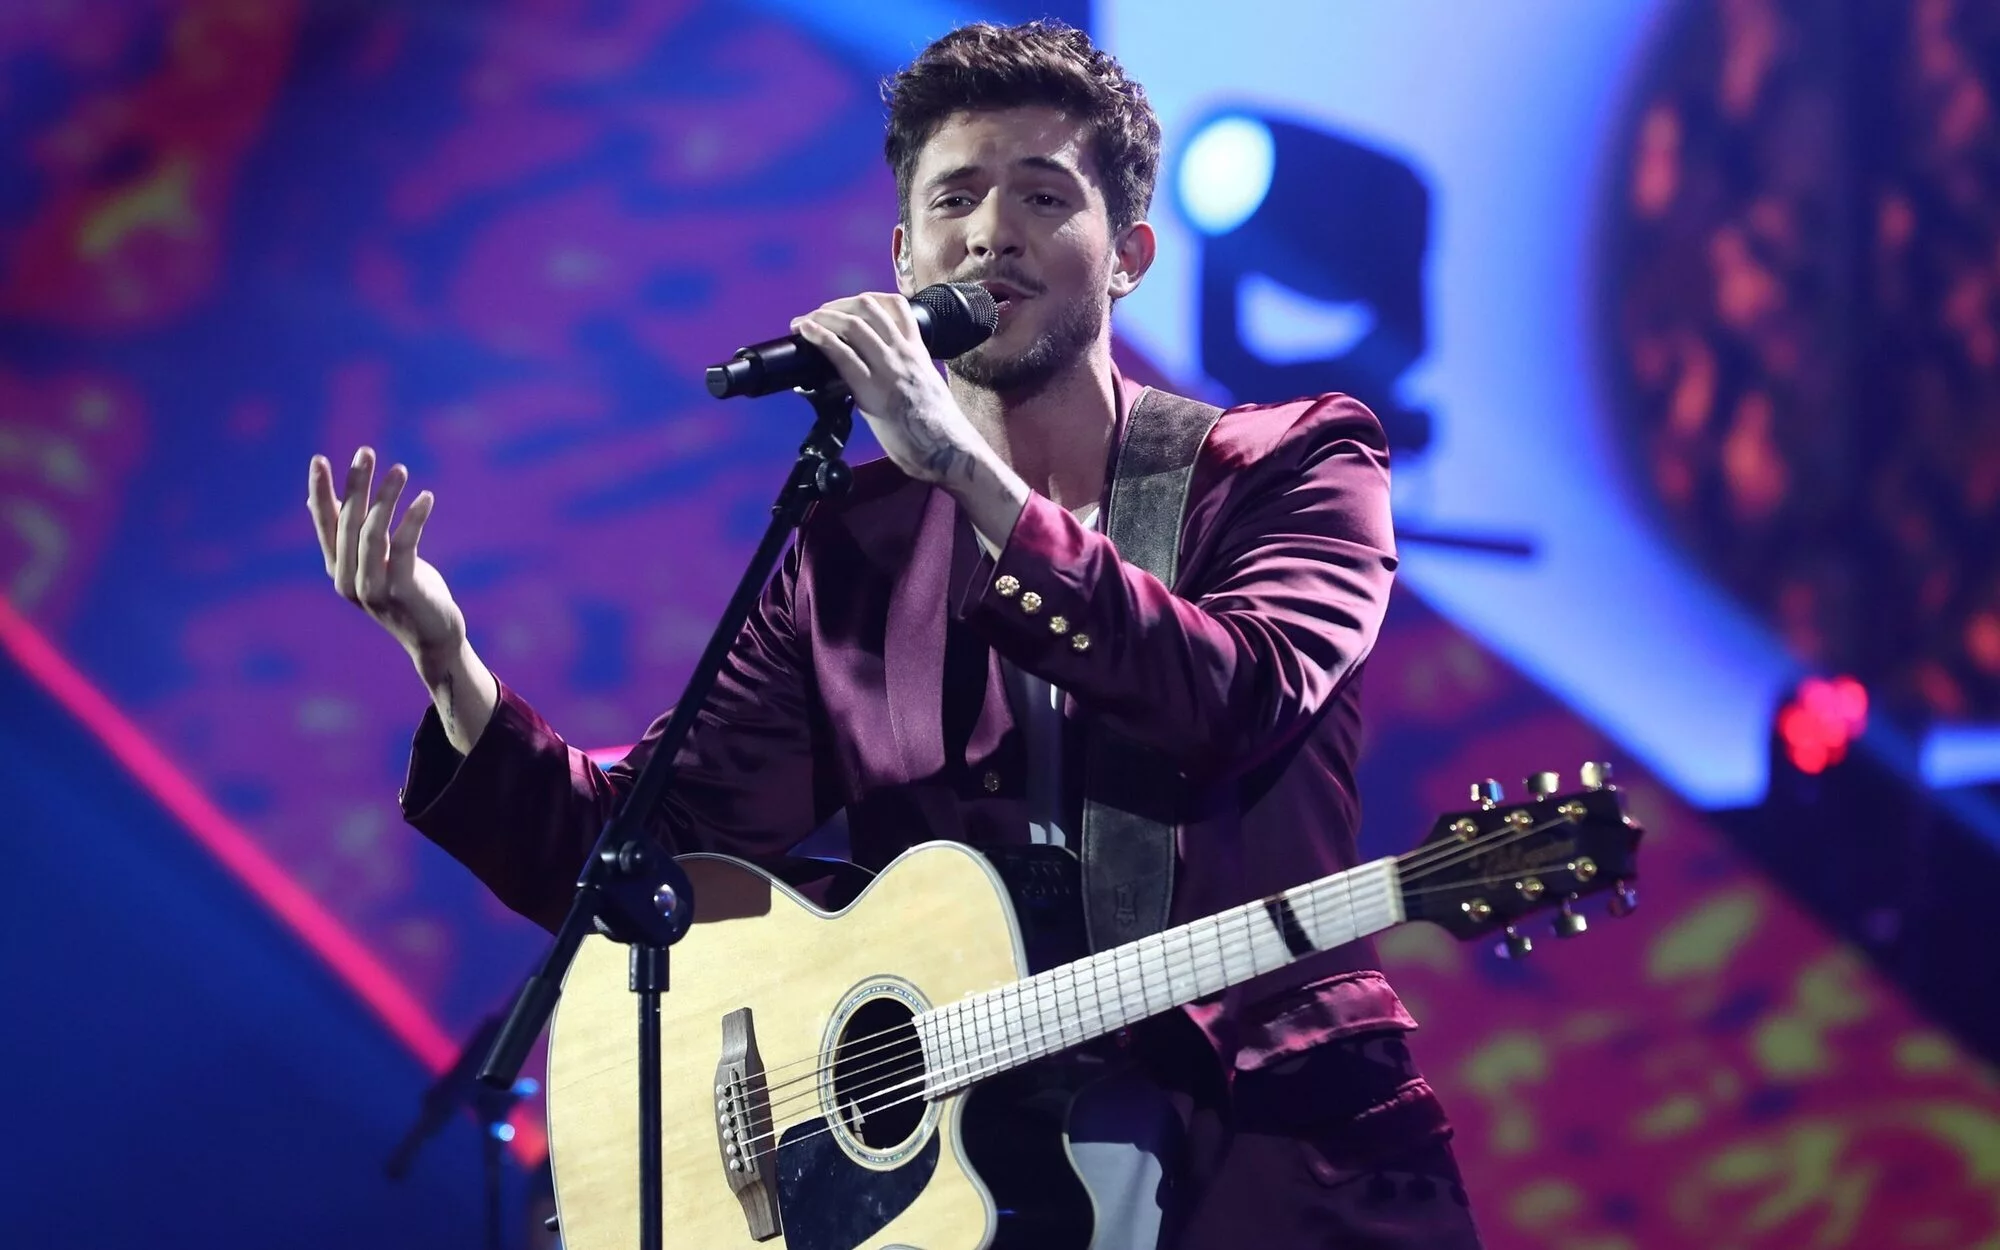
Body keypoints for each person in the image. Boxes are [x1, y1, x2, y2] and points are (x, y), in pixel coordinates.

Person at [306, 19, 1481, 1250]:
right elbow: (649, 856)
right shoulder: (852, 548)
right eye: (954, 199)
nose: (990, 233)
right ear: (903, 255)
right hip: (963, 1194)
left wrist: (969, 475)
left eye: (1042, 196)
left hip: (1265, 1156)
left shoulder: (1290, 464)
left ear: (1128, 254)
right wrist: (448, 664)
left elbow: (1236, 693)